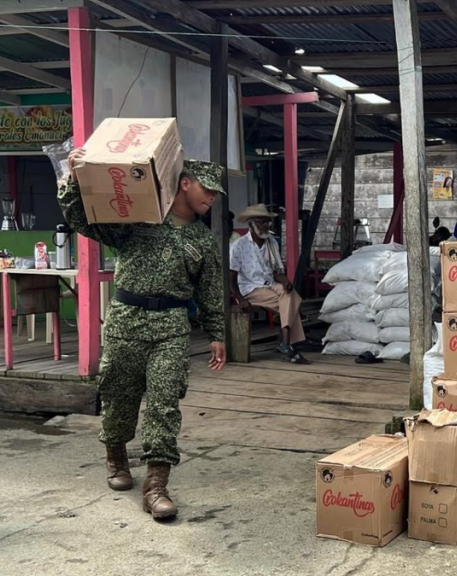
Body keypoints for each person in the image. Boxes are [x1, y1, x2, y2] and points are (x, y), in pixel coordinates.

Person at [58, 149, 227, 521]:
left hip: (171, 327)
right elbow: (83, 220)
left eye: (216, 192)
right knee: (118, 396)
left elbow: (210, 290)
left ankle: (156, 487)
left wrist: (216, 332)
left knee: (164, 404)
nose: (213, 197)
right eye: (208, 188)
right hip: (126, 321)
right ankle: (116, 458)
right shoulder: (138, 219)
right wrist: (73, 180)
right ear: (185, 184)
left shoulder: (203, 241)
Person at [230, 203, 311, 363]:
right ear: (251, 224)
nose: (266, 225)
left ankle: (285, 342)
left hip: (270, 284)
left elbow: (276, 271)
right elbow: (231, 277)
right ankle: (286, 342)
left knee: (290, 294)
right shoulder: (239, 245)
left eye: (267, 222)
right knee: (292, 300)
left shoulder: (271, 242)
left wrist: (285, 281)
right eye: (262, 222)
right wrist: (240, 298)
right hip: (251, 288)